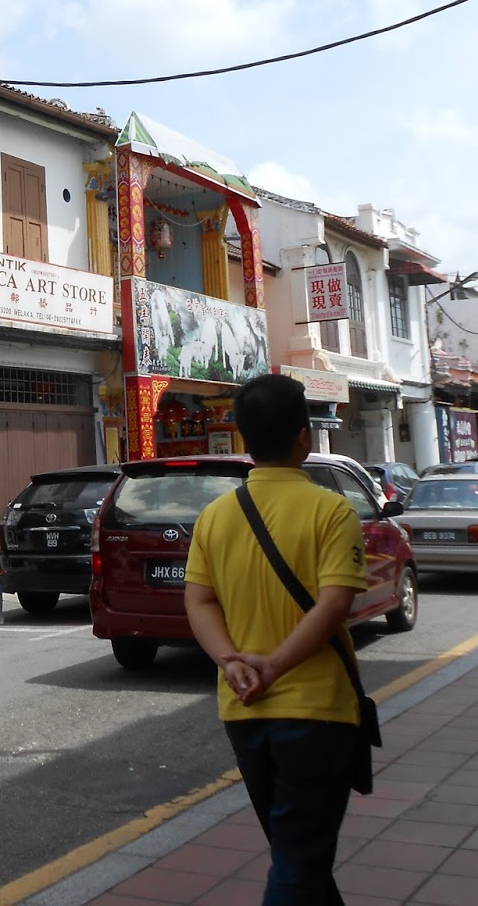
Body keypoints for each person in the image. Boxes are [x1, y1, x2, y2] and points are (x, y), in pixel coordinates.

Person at [183, 374, 368, 906]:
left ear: (244, 438)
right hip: (317, 712)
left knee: (298, 854)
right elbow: (335, 604)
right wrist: (275, 666)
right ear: (304, 438)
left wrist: (231, 662)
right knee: (299, 861)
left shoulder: (215, 517)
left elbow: (199, 601)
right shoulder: (332, 511)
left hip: (244, 711)